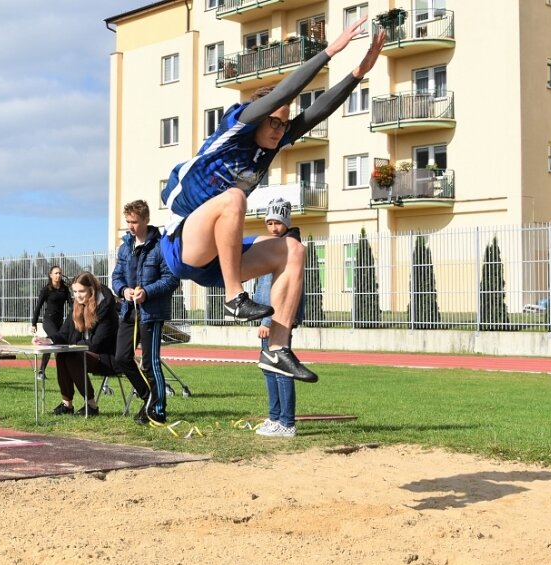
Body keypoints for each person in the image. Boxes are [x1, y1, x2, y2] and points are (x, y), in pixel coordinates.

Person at [160, 18, 385, 383]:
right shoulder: (237, 129)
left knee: (292, 248)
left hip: (222, 255)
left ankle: (277, 349)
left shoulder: (272, 144)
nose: (280, 130)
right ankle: (235, 297)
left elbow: (316, 112)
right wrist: (330, 51)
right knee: (233, 198)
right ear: (259, 119)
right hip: (185, 245)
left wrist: (359, 72)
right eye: (274, 123)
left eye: (283, 125)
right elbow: (283, 94)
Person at [112, 200, 179, 425]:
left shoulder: (162, 246)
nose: (130, 226)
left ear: (146, 220)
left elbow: (171, 279)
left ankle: (158, 409)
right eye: (128, 221)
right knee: (121, 358)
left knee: (151, 363)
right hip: (128, 312)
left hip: (151, 313)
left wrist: (147, 293)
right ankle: (148, 398)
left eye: (135, 222)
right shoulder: (125, 248)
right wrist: (124, 290)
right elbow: (116, 277)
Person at [253, 199, 305, 438]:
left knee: (280, 369)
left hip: (277, 319)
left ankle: (286, 422)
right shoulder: (278, 244)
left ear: (286, 222)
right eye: (269, 222)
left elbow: (277, 288)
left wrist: (265, 321)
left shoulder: (287, 247)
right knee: (268, 367)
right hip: (272, 317)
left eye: (277, 222)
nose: (273, 227)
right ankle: (275, 417)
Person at [37, 271, 118, 416]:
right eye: (74, 291)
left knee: (72, 355)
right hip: (84, 353)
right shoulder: (77, 306)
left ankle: (92, 406)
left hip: (107, 357)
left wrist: (74, 346)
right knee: (62, 354)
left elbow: (98, 343)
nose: (77, 295)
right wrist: (48, 340)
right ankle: (67, 404)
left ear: (91, 290)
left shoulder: (106, 307)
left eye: (81, 291)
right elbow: (64, 334)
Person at [30, 265, 71, 381]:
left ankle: (42, 372)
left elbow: (71, 304)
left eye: (60, 273)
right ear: (51, 275)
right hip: (48, 321)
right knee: (55, 341)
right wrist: (34, 324)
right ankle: (51, 372)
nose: (58, 275)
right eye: (56, 273)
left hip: (59, 321)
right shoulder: (46, 289)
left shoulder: (65, 289)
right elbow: (38, 307)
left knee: (53, 343)